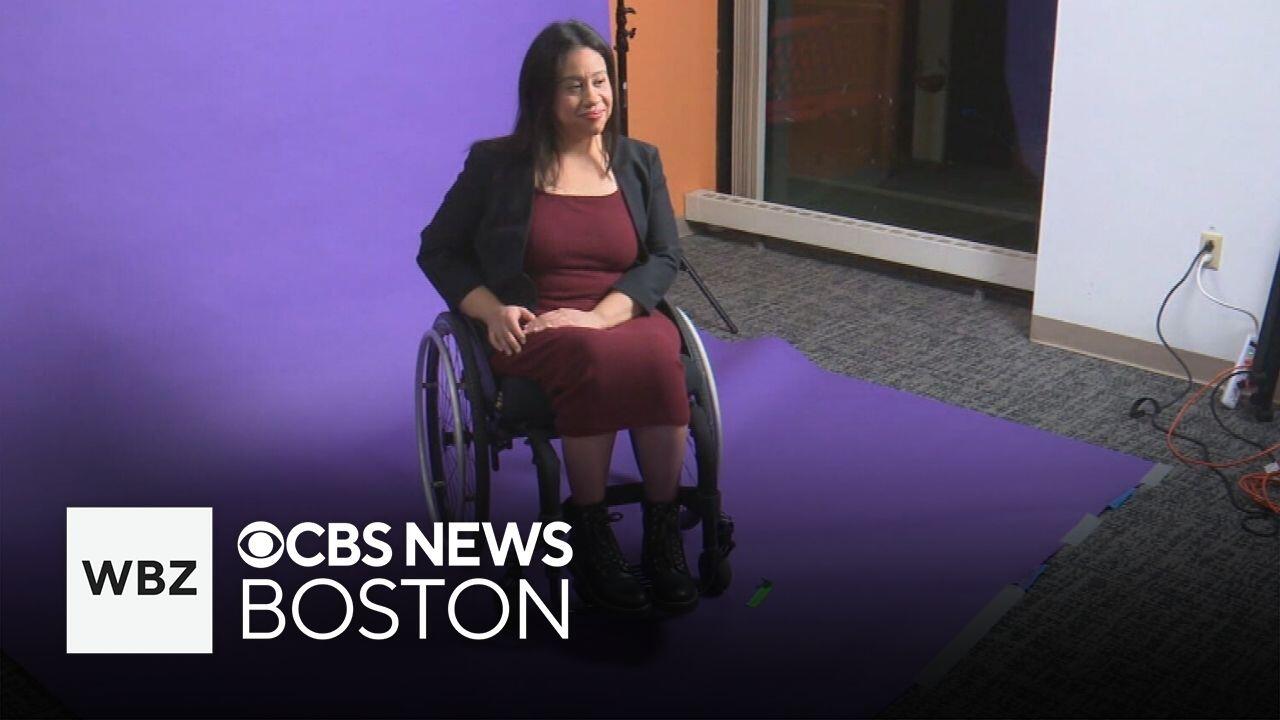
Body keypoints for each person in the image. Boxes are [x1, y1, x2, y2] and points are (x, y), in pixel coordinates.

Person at [417, 20, 696, 615]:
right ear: (543, 95)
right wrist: (491, 310)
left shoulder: (638, 161)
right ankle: (590, 531)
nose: (593, 98)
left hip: (618, 311)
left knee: (658, 349)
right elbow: (437, 249)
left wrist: (600, 316)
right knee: (587, 353)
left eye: (600, 81)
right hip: (535, 323)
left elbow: (664, 256)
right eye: (574, 86)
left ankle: (662, 530)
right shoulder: (496, 165)